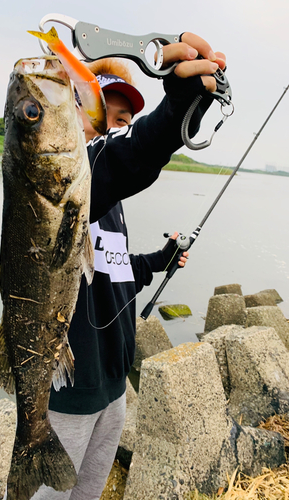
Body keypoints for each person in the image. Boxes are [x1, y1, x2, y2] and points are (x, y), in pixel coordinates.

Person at [32, 33, 226, 500]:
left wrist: (158, 261)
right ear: (73, 109)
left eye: (124, 121)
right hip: (67, 395)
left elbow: (114, 273)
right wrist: (179, 108)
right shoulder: (57, 185)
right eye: (102, 115)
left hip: (114, 389)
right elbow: (133, 156)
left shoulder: (108, 197)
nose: (112, 129)